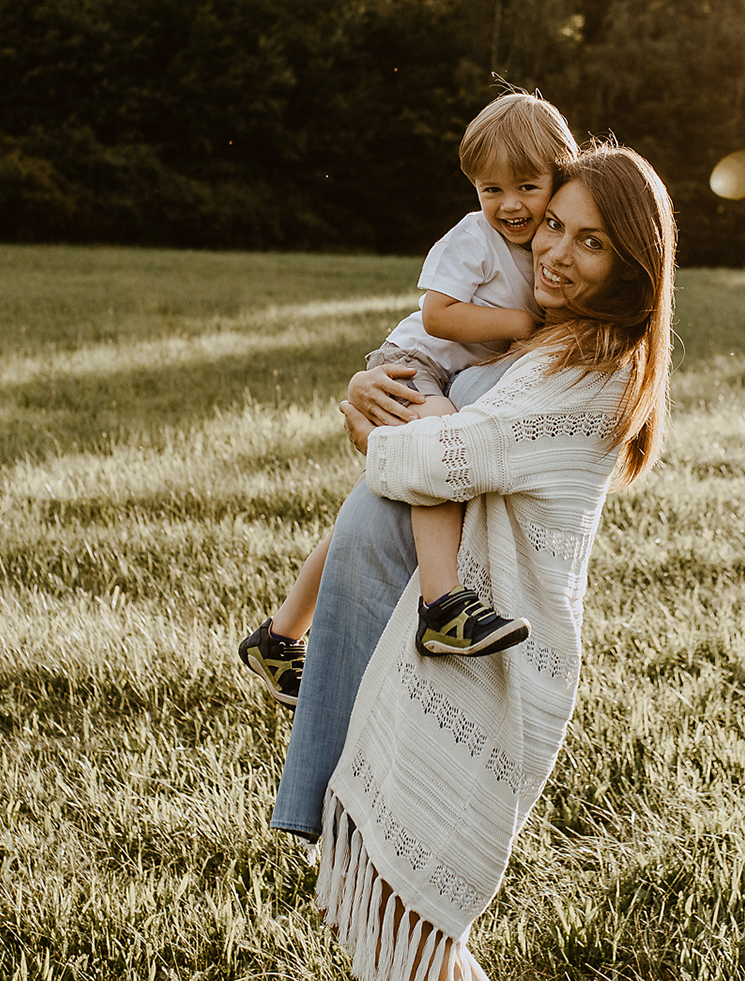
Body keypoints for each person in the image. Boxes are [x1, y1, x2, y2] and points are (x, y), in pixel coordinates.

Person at [272, 144, 677, 981]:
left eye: (592, 242)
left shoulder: (594, 365)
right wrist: (370, 384)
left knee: (415, 930)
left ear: (634, 265)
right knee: (393, 928)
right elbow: (430, 372)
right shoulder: (540, 336)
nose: (557, 254)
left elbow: (444, 455)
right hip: (402, 629)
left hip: (475, 656)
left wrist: (371, 422)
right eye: (553, 228)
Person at [238, 94, 580, 708]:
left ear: (561, 177)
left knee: (377, 505)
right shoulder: (475, 237)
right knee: (441, 449)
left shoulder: (546, 248)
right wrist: (521, 324)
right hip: (413, 364)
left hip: (441, 375)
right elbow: (439, 315)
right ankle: (441, 606)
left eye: (527, 186)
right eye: (489, 188)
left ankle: (279, 634)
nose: (508, 205)